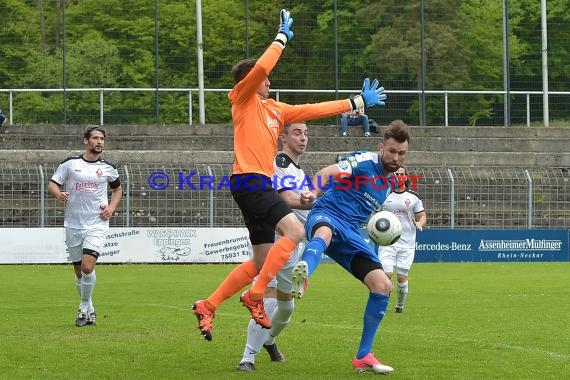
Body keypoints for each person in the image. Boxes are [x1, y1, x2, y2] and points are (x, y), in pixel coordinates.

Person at [192, 8, 387, 342]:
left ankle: (208, 305)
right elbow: (263, 67)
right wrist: (281, 38)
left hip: (257, 183)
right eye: (263, 78)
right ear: (250, 80)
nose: (269, 81)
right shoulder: (242, 98)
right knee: (296, 230)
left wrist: (356, 102)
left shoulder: (276, 110)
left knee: (261, 260)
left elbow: (314, 110)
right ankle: (255, 297)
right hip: (250, 179)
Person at [291, 120, 411, 374]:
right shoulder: (364, 161)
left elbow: (363, 208)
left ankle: (363, 356)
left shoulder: (389, 182)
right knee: (324, 232)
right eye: (391, 151)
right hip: (327, 213)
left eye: (401, 153)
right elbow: (326, 173)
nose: (395, 157)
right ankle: (304, 274)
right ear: (382, 147)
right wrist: (313, 193)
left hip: (351, 233)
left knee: (383, 286)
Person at [236, 122, 311, 372]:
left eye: (306, 134)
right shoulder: (279, 163)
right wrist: (316, 203)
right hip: (276, 239)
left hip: (294, 246)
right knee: (266, 296)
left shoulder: (299, 171)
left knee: (287, 308)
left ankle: (268, 341)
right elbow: (286, 198)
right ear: (284, 137)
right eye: (297, 133)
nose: (303, 138)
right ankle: (248, 358)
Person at [47, 126, 123, 327]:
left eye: (102, 139)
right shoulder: (70, 164)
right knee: (79, 272)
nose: (99, 142)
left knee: (88, 266)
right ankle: (90, 308)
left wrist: (112, 208)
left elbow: (117, 190)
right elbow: (53, 184)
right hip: (73, 223)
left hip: (97, 222)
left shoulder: (108, 167)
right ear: (86, 141)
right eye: (96, 138)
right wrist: (58, 194)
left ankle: (82, 307)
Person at [378, 165, 427, 314]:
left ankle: (399, 305)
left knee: (401, 277)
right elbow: (375, 213)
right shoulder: (383, 194)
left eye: (401, 174)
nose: (398, 177)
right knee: (386, 275)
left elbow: (422, 216)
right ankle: (382, 307)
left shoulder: (413, 197)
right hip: (387, 242)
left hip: (407, 243)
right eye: (396, 174)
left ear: (406, 177)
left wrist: (420, 223)